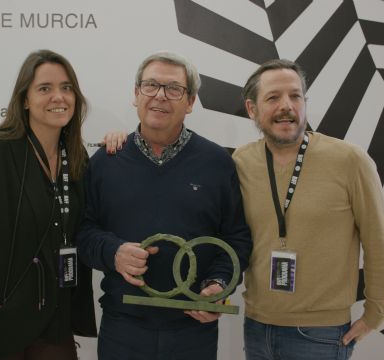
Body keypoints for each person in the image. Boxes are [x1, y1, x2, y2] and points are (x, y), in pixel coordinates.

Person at [77, 51, 253, 360]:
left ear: (190, 102)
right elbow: (83, 232)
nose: (160, 96)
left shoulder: (217, 162)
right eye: (150, 85)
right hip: (122, 329)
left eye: (174, 89)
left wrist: (218, 285)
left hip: (192, 331)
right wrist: (113, 252)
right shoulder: (106, 161)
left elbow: (236, 238)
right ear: (136, 94)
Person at [232, 59, 384, 359]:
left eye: (295, 96)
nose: (287, 106)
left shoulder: (349, 160)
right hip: (256, 327)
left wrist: (375, 313)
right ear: (252, 109)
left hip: (320, 334)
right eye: (273, 97)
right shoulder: (240, 162)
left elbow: (378, 241)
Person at [0, 49, 96, 360]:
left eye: (67, 87)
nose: (59, 97)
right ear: (24, 99)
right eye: (45, 88)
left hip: (56, 327)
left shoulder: (78, 157)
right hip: (2, 327)